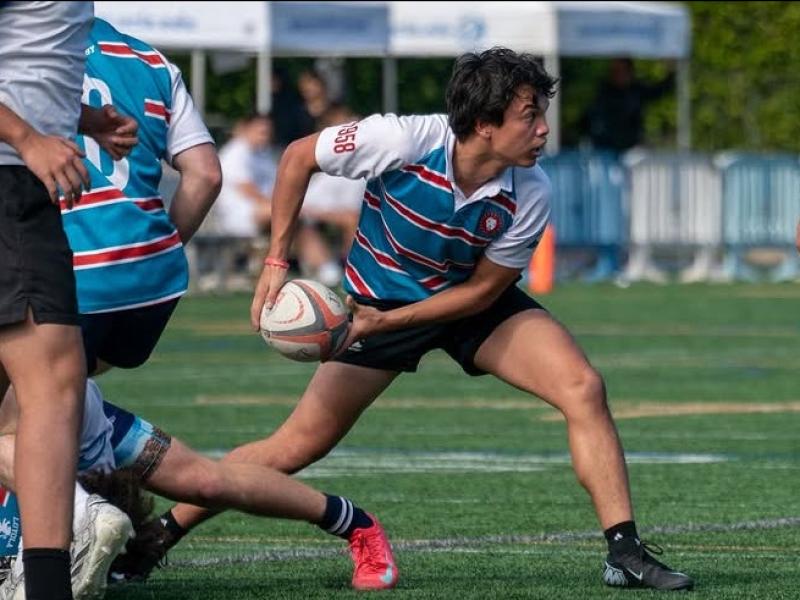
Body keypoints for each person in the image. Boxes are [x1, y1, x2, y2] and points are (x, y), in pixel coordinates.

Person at [139, 47, 694, 592]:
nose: (545, 130)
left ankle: (624, 552)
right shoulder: (401, 140)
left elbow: (481, 293)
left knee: (582, 387)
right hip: (377, 303)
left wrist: (387, 325)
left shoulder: (532, 190)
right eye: (531, 116)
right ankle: (161, 533)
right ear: (483, 124)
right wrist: (277, 263)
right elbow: (298, 158)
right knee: (293, 447)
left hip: (468, 305)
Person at [0, 16, 397, 595]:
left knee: (30, 412)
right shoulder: (146, 58)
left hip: (61, 265)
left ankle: (72, 516)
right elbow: (204, 173)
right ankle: (351, 521)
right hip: (145, 283)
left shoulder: (34, 36)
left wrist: (38, 139)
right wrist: (161, 247)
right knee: (202, 477)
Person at [0, 379, 398, 596]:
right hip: (59, 398)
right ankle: (82, 515)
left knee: (203, 480)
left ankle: (354, 524)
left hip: (46, 399)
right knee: (204, 484)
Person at [0, 4, 118, 598]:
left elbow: (23, 56)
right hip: (7, 180)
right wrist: (28, 139)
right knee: (53, 383)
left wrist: (79, 119)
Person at [582, 58, 675, 154]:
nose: (618, 75)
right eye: (615, 71)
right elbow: (589, 118)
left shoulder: (637, 90)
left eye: (621, 71)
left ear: (630, 72)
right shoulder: (604, 92)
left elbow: (660, 90)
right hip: (605, 148)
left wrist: (671, 71)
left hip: (632, 149)